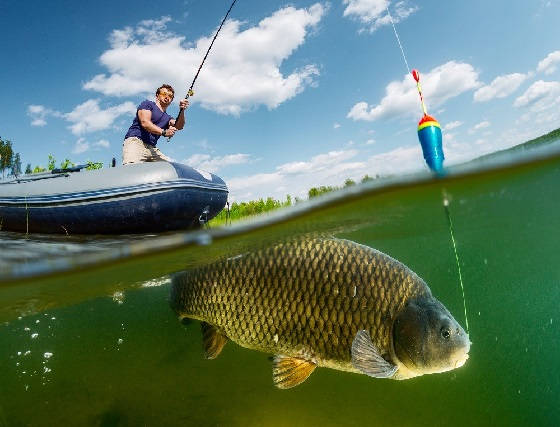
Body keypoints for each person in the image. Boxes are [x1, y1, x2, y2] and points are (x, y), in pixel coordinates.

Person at [122, 84, 189, 164]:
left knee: (170, 167)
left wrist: (182, 110)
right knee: (131, 170)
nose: (167, 97)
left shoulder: (167, 117)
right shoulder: (148, 104)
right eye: (164, 94)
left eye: (170, 96)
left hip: (152, 148)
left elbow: (179, 126)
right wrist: (164, 132)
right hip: (136, 142)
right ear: (157, 95)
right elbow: (145, 123)